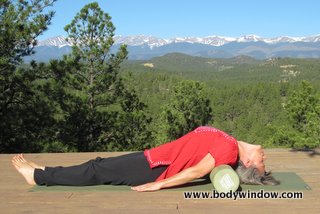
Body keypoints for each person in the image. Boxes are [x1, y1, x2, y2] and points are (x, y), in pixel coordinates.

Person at [12, 126, 279, 192]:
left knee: (97, 170)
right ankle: (47, 170)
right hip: (153, 158)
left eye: (262, 160)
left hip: (155, 168)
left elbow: (197, 170)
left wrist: (159, 184)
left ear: (248, 163)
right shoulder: (230, 141)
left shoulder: (229, 151)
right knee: (100, 164)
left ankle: (38, 176)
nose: (263, 154)